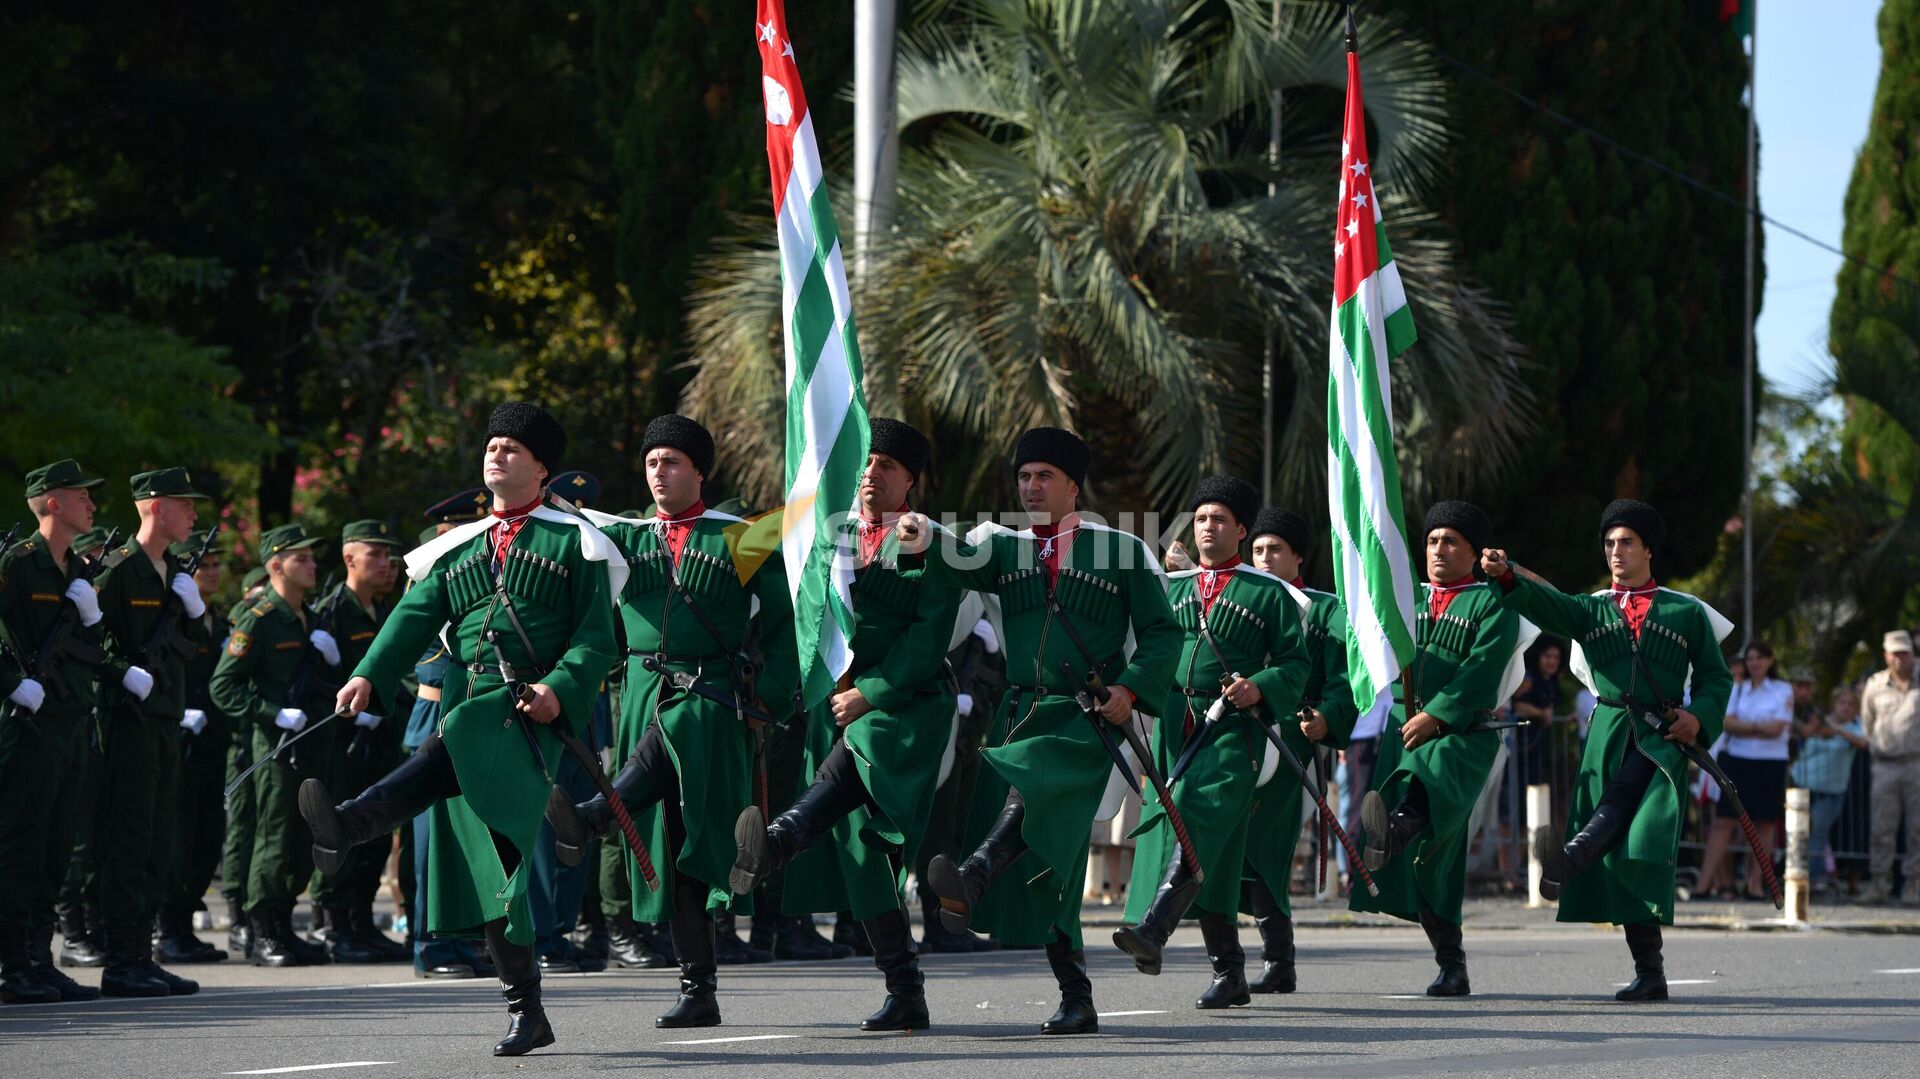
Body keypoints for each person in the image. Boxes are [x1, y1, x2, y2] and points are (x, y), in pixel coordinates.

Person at [302, 402, 620, 1056]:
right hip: (471, 707)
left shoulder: (576, 542)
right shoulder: (458, 548)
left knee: (490, 840)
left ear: (541, 467)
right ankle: (526, 1009)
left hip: (525, 722)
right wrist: (369, 673)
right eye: (492, 444)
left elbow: (595, 641)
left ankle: (353, 822)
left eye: (512, 448)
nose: (496, 454)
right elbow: (412, 617)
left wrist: (558, 690)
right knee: (493, 869)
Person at [897, 426, 1181, 1036]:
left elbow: (1163, 633)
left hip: (1084, 719)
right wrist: (917, 531)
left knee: (1035, 785)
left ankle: (972, 875)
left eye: (1044, 476)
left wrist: (1129, 689)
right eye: (1024, 477)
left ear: (1073, 486)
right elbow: (950, 553)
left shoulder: (1123, 551)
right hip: (1020, 712)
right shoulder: (1006, 548)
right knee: (1052, 860)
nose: (1030, 486)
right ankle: (1077, 997)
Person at [545, 414, 798, 1031]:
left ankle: (597, 815)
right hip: (639, 695)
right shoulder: (623, 539)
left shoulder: (741, 537)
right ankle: (699, 990)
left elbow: (791, 627)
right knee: (678, 846)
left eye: (673, 462)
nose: (660, 472)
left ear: (699, 471)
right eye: (652, 462)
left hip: (712, 699)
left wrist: (769, 699)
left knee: (686, 787)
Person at [730, 418, 963, 1031]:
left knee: (857, 773)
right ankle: (906, 990)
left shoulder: (927, 540)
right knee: (862, 851)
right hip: (833, 705)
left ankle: (779, 839)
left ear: (910, 479)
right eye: (864, 465)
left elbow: (929, 635)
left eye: (885, 465)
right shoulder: (827, 539)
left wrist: (872, 693)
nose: (870, 475)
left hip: (903, 708)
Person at [1482, 498, 1735, 1002]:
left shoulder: (1686, 611)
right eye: (1609, 544)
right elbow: (1545, 606)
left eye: (1625, 543)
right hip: (1607, 732)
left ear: (1647, 551)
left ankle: (1571, 856)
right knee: (1623, 853)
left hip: (1660, 739)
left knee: (1631, 827)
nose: (1615, 552)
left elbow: (1715, 679)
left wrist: (1697, 716)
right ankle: (1651, 972)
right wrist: (1506, 575)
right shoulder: (1591, 608)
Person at [1111, 477, 1310, 1010]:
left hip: (1234, 733)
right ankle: (1231, 972)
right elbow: (1149, 654)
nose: (1208, 527)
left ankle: (1154, 929)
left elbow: (1296, 664)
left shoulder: (1270, 593)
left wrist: (1259, 686)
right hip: (1176, 725)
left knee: (1197, 821)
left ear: (1241, 530)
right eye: (1200, 518)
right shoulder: (1170, 588)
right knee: (1208, 851)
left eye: (1219, 519)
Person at [1351, 501, 1523, 998]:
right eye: (1431, 540)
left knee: (1430, 819)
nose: (1439, 549)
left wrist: (1439, 714)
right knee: (1429, 857)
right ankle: (1452, 963)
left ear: (1473, 551)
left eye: (1451, 541)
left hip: (1462, 735)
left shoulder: (1492, 602)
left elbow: (1482, 670)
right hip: (1405, 729)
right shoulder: (1407, 600)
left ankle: (1395, 829)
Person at [90, 469, 215, 997]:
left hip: (165, 720)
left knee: (160, 841)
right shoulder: (118, 571)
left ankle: (144, 954)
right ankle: (121, 959)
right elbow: (88, 637)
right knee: (130, 841)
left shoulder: (172, 573)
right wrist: (122, 671)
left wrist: (194, 613)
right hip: (129, 721)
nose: (193, 516)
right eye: (185, 506)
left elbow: (192, 649)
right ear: (157, 507)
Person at [0, 460, 110, 1005]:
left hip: (70, 724)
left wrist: (92, 619)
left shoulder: (77, 570)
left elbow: (95, 650)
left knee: (56, 849)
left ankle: (40, 960)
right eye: (80, 495)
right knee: (23, 847)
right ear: (51, 502)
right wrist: (10, 683)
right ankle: (14, 965)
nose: (91, 504)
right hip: (29, 727)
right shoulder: (19, 564)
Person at [211, 523, 341, 968]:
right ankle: (262, 929)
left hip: (310, 743)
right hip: (275, 746)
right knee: (273, 837)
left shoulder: (308, 616)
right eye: (300, 558)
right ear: (275, 566)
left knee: (301, 836)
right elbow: (223, 686)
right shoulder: (258, 618)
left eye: (311, 556)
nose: (311, 564)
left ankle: (284, 924)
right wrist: (272, 712)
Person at [1243, 506, 1359, 992]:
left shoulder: (1327, 609)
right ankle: (1226, 961)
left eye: (1275, 550)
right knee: (1226, 842)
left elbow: (1343, 679)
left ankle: (1277, 959)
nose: (1265, 558)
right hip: (1232, 731)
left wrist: (1326, 717)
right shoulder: (1238, 593)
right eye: (1257, 550)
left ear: (1298, 558)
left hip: (1290, 734)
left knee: (1267, 844)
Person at [305, 520, 406, 963]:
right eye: (376, 555)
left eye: (389, 555)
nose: (387, 564)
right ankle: (333, 925)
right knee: (340, 826)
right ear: (350, 559)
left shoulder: (382, 611)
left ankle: (362, 922)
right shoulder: (330, 612)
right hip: (342, 745)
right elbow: (312, 684)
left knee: (376, 833)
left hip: (378, 739)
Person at [156, 529, 234, 965]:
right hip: (179, 740)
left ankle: (184, 923)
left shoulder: (218, 623)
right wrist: (182, 709)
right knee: (179, 837)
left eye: (215, 564)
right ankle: (169, 928)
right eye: (202, 565)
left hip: (212, 742)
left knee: (206, 838)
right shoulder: (173, 619)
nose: (211, 571)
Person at [1694, 641, 1791, 900]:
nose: (1754, 664)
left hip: (1770, 762)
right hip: (1737, 759)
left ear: (1770, 660)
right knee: (1723, 821)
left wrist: (1746, 727)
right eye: (1750, 659)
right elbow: (1728, 722)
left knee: (1764, 824)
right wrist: (1760, 728)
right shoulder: (1738, 689)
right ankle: (1703, 885)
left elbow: (1778, 728)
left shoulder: (1782, 690)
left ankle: (1755, 884)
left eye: (1759, 658)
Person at [1860, 631, 1920, 905]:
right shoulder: (1875, 685)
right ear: (1886, 655)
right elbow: (1867, 722)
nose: (1900, 658)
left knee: (1918, 828)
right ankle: (1878, 884)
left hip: (1917, 763)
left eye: (1904, 652)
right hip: (1885, 765)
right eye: (1895, 653)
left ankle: (1913, 886)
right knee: (1882, 828)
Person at [1792, 685, 1865, 894]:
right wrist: (1819, 727)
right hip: (1802, 783)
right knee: (1799, 832)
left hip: (1831, 791)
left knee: (1817, 832)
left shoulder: (1856, 727)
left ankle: (1816, 879)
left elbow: (1862, 743)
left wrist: (1837, 730)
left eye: (1850, 704)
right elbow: (1804, 734)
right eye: (1842, 702)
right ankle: (1797, 876)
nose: (1845, 707)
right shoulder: (1819, 720)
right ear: (1834, 704)